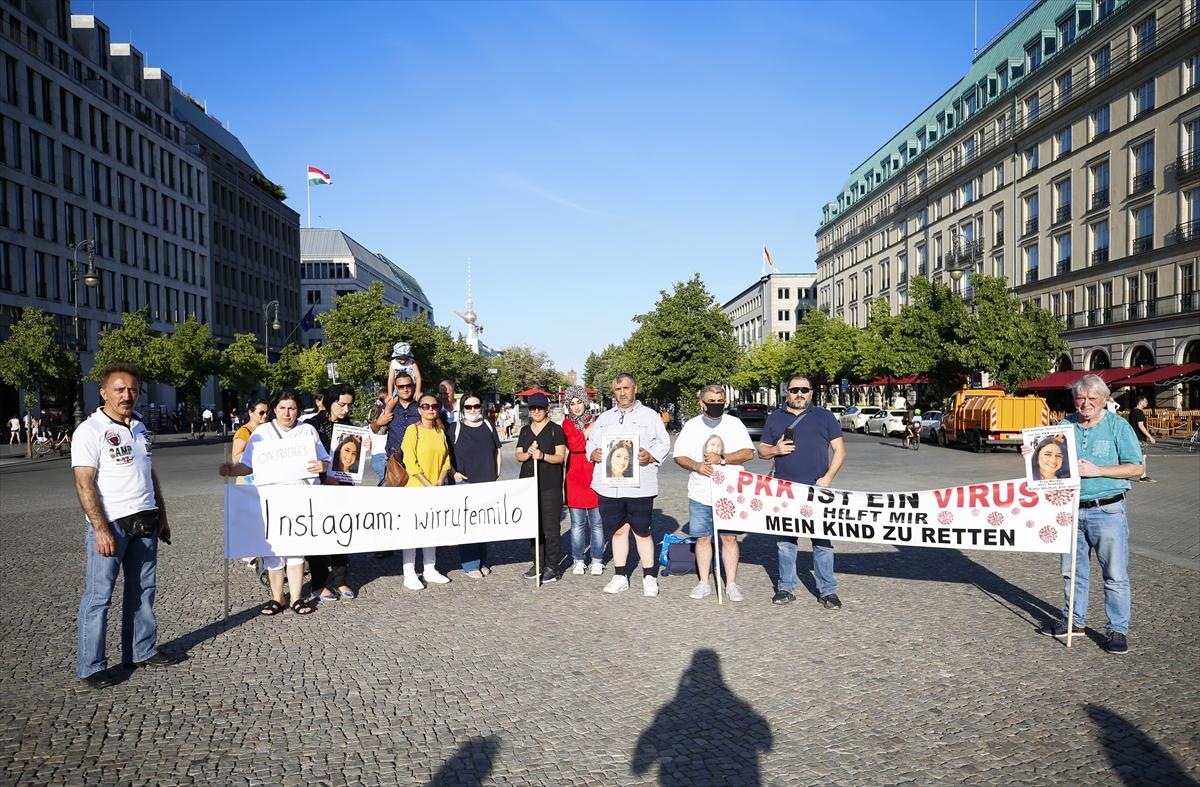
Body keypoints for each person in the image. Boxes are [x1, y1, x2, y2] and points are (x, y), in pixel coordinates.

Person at [73, 362, 178, 688]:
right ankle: (91, 666)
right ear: (104, 392)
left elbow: (149, 472)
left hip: (144, 519)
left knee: (143, 591)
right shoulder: (89, 431)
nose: (127, 395)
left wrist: (161, 513)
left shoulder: (140, 427)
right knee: (99, 596)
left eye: (132, 389)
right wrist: (100, 527)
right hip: (112, 523)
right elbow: (83, 483)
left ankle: (142, 650)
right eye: (119, 389)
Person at [1035, 374, 1142, 655]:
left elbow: (1136, 468)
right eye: (1080, 398)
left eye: (1092, 399)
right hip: (1070, 509)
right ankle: (1074, 622)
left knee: (1115, 574)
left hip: (1107, 510)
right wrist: (1030, 454)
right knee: (1072, 572)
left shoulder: (1118, 427)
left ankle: (1117, 629)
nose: (1085, 404)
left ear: (1104, 400)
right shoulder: (1065, 424)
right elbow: (1049, 459)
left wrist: (1099, 470)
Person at [219, 390, 329, 616]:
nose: (287, 413)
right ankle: (277, 597)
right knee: (273, 550)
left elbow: (325, 460)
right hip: (270, 499)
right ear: (274, 410)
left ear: (298, 409)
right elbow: (248, 465)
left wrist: (322, 466)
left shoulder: (307, 430)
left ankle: (297, 598)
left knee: (297, 548)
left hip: (300, 497)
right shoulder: (262, 433)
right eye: (282, 408)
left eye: (291, 408)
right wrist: (232, 469)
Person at [758, 374, 847, 609]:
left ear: (811, 393)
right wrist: (775, 449)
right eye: (795, 390)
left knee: (822, 542)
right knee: (786, 542)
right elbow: (762, 451)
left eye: (804, 390)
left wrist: (827, 478)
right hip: (784, 491)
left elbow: (840, 451)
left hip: (817, 491)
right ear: (787, 392)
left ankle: (828, 590)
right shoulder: (776, 417)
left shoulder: (824, 416)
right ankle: (785, 588)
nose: (800, 394)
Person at [587, 373, 670, 597]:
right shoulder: (604, 418)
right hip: (609, 486)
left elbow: (664, 443)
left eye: (626, 388)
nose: (622, 393)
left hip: (640, 485)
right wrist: (592, 453)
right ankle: (620, 575)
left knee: (642, 531)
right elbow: (592, 443)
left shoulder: (651, 416)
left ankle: (649, 576)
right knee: (617, 531)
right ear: (613, 392)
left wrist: (651, 456)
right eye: (618, 389)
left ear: (635, 389)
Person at [673, 384, 755, 602]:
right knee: (702, 539)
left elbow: (749, 452)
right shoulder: (691, 426)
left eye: (720, 402)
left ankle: (731, 583)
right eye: (712, 402)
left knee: (729, 539)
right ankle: (704, 583)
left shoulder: (734, 424)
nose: (716, 405)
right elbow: (679, 456)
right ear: (702, 403)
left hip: (729, 493)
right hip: (700, 493)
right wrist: (698, 466)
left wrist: (724, 459)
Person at [305, 383, 363, 602]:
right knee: (318, 533)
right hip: (319, 487)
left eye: (349, 405)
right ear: (328, 402)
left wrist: (362, 445)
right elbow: (307, 458)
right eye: (341, 405)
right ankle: (319, 583)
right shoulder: (311, 425)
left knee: (341, 530)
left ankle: (340, 579)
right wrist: (323, 475)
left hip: (343, 486)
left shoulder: (350, 426)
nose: (346, 410)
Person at [399, 392, 453, 589]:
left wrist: (439, 480)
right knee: (412, 531)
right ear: (418, 409)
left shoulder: (440, 432)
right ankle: (409, 572)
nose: (430, 409)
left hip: (435, 488)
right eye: (425, 406)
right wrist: (426, 483)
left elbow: (446, 459)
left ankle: (430, 569)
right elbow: (409, 462)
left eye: (434, 406)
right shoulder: (413, 430)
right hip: (415, 488)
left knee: (431, 529)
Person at [516, 392, 567, 583]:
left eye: (540, 408)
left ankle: (552, 567)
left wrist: (543, 456)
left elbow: (560, 457)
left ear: (547, 409)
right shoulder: (525, 431)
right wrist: (529, 454)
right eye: (533, 408)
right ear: (529, 411)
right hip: (528, 485)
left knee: (551, 528)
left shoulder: (556, 430)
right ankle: (538, 563)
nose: (537, 411)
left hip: (550, 485)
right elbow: (518, 455)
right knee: (533, 527)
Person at [450, 391, 502, 578]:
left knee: (483, 524)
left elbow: (497, 450)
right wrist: (453, 473)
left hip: (487, 481)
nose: (473, 409)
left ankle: (482, 560)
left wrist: (497, 471)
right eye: (468, 406)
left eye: (476, 405)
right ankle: (470, 564)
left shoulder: (488, 424)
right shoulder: (454, 428)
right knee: (468, 526)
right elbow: (445, 456)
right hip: (465, 482)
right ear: (462, 408)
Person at [563, 386, 604, 576]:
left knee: (597, 524)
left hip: (595, 476)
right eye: (572, 404)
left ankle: (597, 559)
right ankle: (578, 560)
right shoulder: (567, 424)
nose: (576, 407)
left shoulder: (598, 421)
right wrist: (589, 430)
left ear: (585, 402)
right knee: (577, 525)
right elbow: (575, 445)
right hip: (575, 477)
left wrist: (593, 427)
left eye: (579, 402)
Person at [231, 398, 270, 565]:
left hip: (264, 479)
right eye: (261, 412)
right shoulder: (244, 431)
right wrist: (258, 455)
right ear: (251, 413)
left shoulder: (268, 430)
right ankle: (249, 554)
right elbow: (236, 457)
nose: (265, 415)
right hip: (248, 480)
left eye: (267, 412)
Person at [1129, 395, 1156, 483]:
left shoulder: (1132, 411)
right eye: (1145, 401)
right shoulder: (1139, 412)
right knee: (1142, 457)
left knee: (1139, 457)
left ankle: (1141, 475)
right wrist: (1150, 437)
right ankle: (1143, 476)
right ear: (1140, 402)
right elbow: (1141, 426)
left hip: (1134, 437)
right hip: (1140, 438)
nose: (1147, 403)